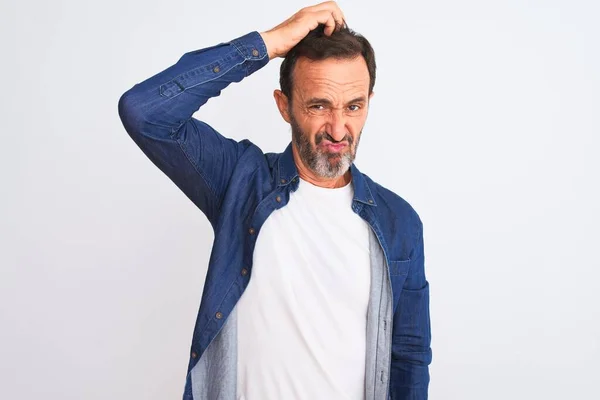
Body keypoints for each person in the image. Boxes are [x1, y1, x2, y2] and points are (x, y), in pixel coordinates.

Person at [118, 2, 431, 399]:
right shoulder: (239, 181)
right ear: (284, 106)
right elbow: (144, 112)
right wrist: (267, 43)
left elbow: (409, 355)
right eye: (318, 105)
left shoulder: (399, 221)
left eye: (353, 106)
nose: (338, 129)